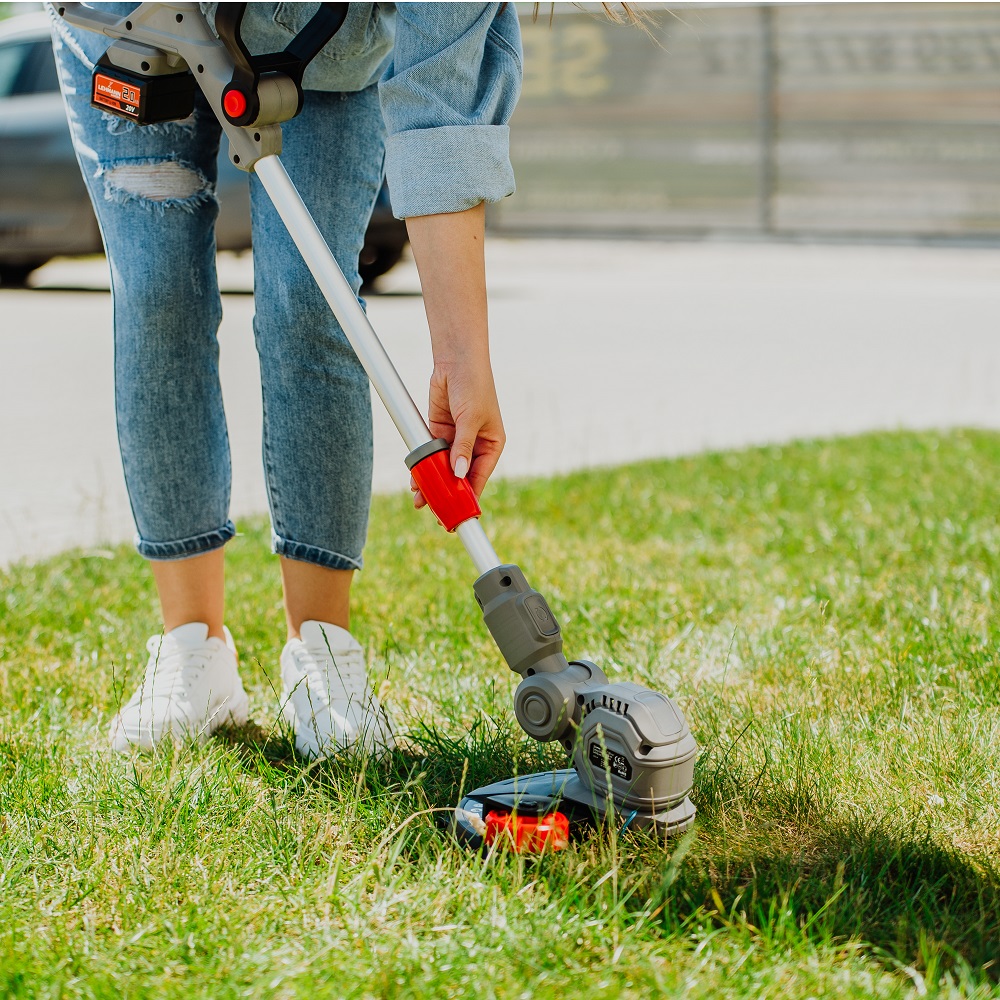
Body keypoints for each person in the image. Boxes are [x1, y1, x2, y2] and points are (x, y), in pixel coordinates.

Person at [49, 2, 521, 756]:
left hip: (325, 51)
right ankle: (192, 653)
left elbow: (440, 101)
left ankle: (322, 653)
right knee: (159, 293)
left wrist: (463, 360)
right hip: (132, 23)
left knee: (312, 298)